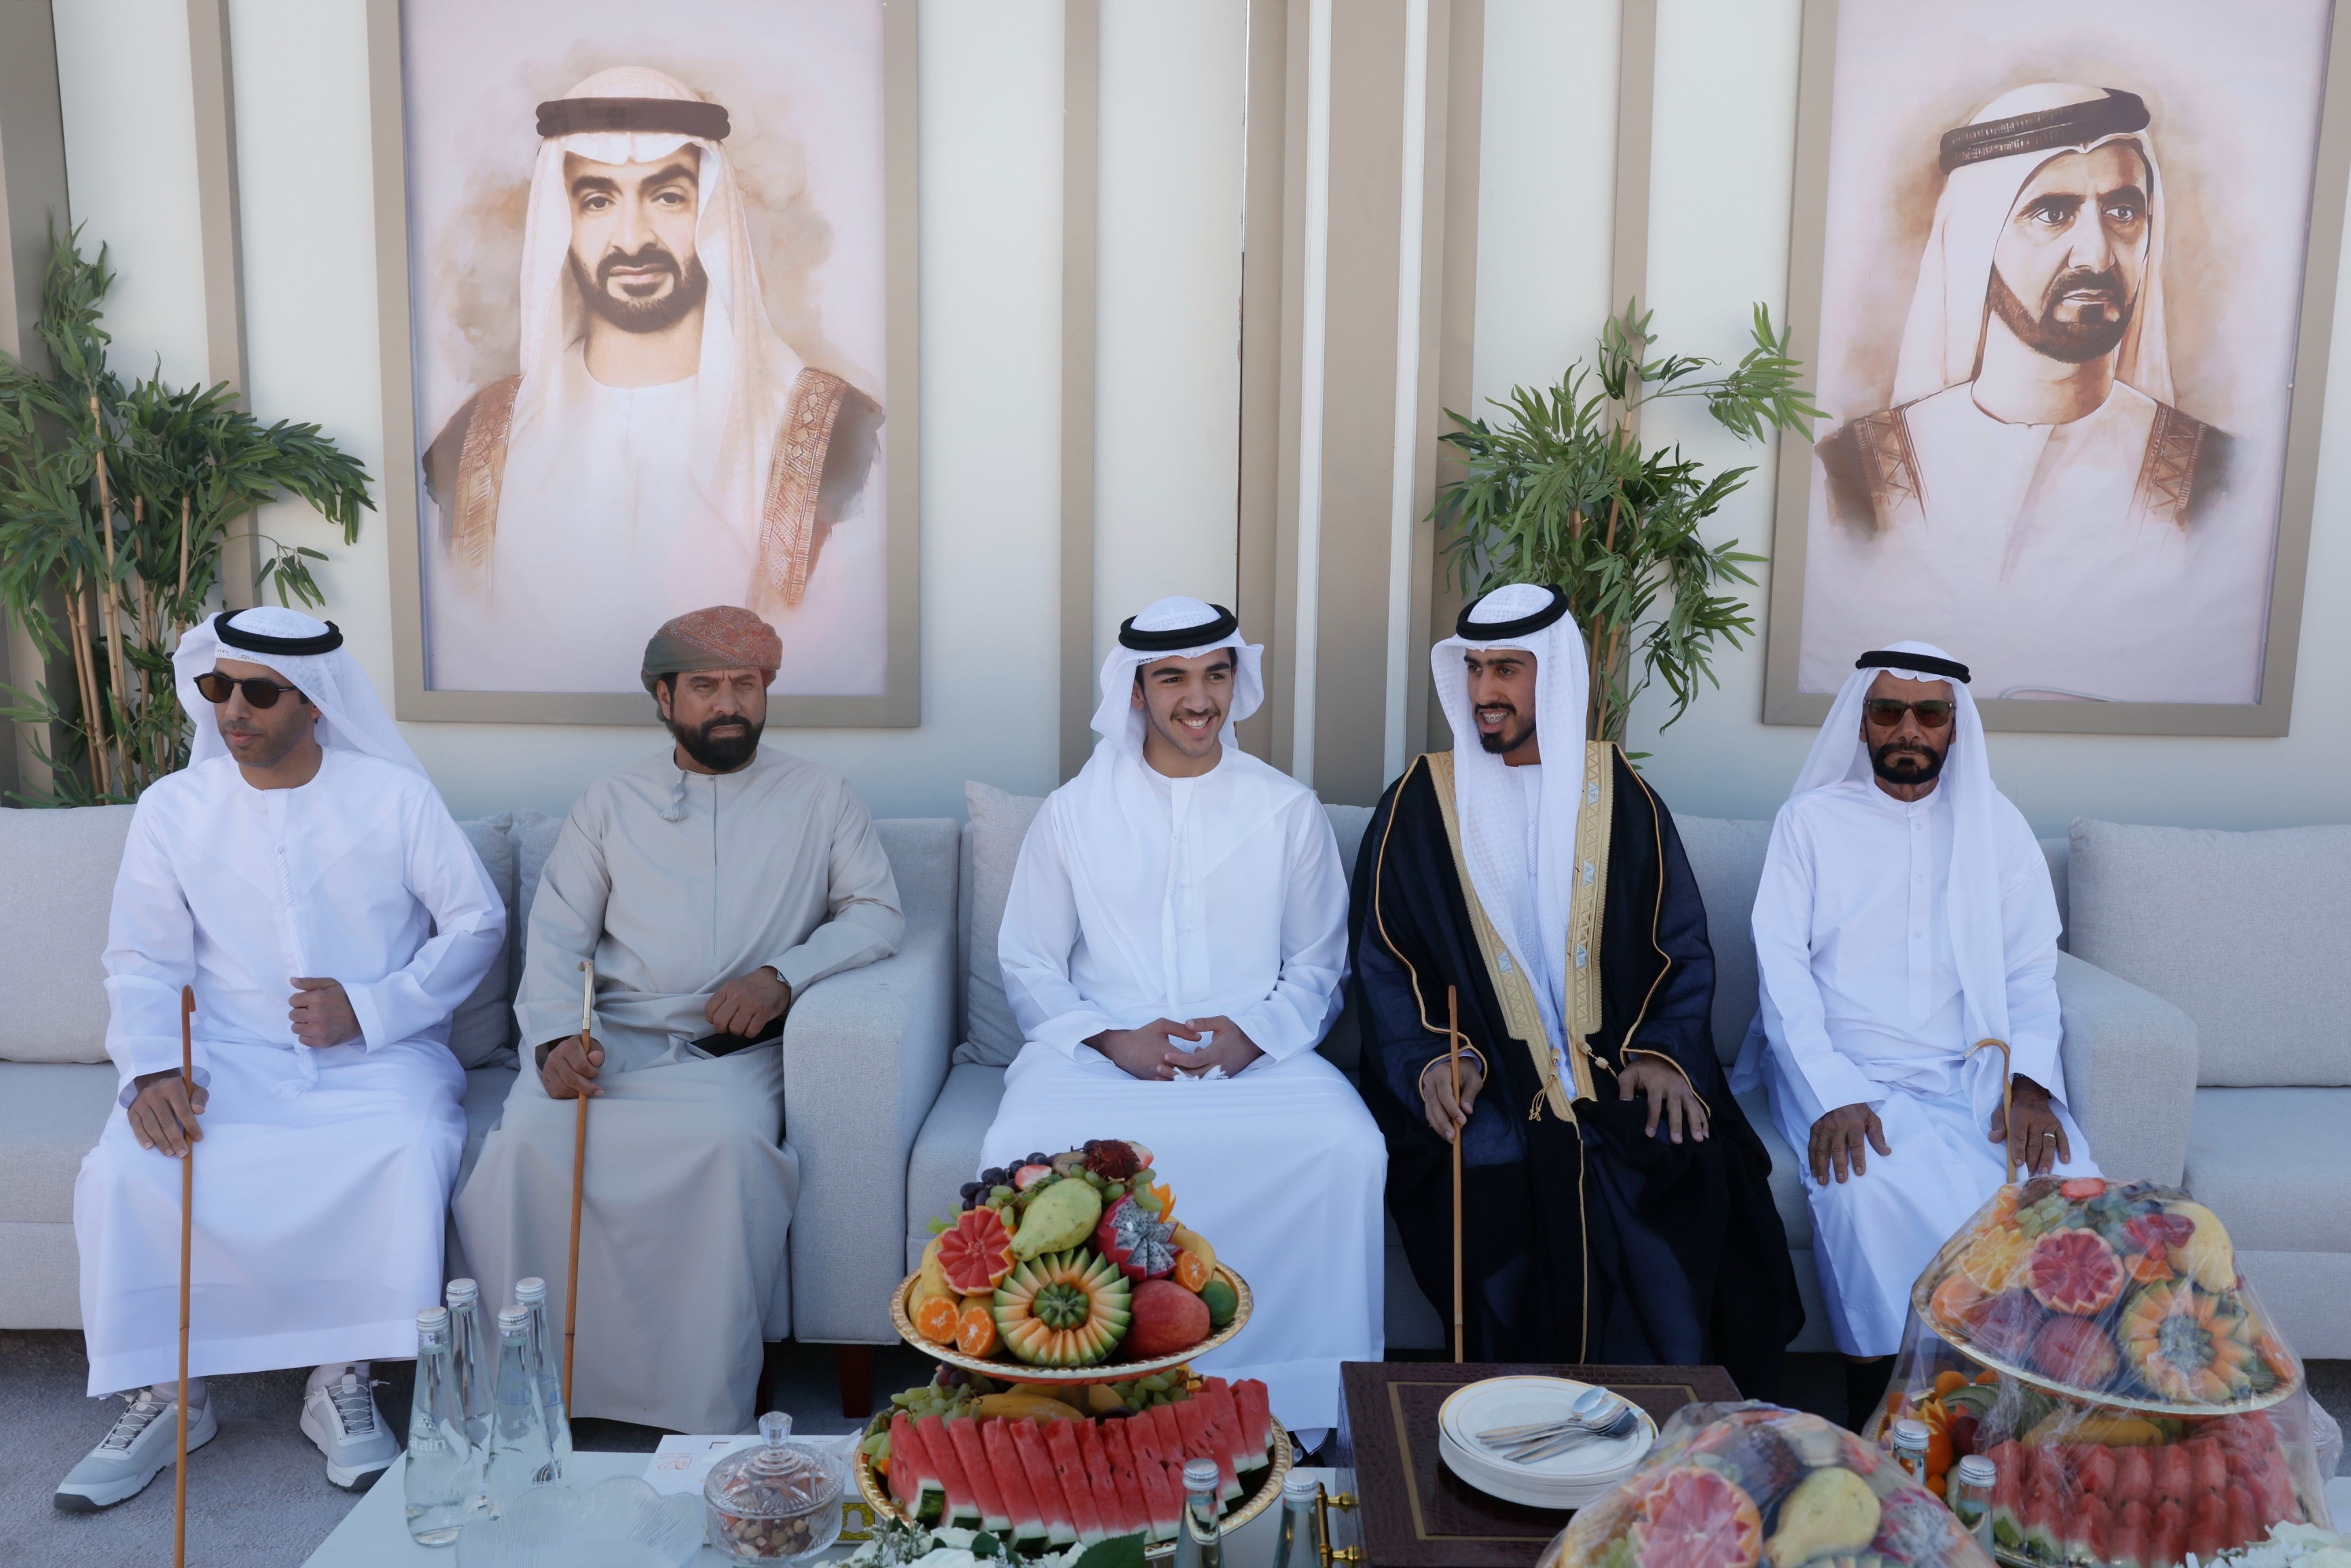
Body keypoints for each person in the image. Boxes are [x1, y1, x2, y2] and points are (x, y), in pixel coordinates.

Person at [62, 608, 505, 1508]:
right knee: (123, 1167)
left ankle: (340, 1380)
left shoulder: (393, 798)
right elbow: (141, 957)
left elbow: (476, 920)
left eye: (259, 692)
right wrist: (152, 1069)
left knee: (407, 1143)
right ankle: (169, 1396)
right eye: (218, 686)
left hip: (376, 1058)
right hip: (220, 1056)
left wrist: (371, 1006)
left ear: (315, 703)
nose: (232, 708)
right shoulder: (173, 808)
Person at [453, 605, 901, 1434]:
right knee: (524, 1144)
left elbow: (876, 912)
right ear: (663, 698)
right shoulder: (609, 802)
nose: (728, 702)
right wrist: (554, 1040)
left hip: (734, 1053)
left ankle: (699, 1416)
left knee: (725, 1145)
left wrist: (783, 976)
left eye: (746, 684)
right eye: (704, 685)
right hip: (611, 1041)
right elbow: (556, 935)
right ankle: (528, 1400)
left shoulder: (821, 795)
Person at [1349, 583, 1802, 1396]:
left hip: (1614, 1061)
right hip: (1483, 1069)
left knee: (1674, 1153)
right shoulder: (1419, 801)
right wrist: (1434, 1058)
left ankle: (1660, 1412)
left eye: (1508, 669)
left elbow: (1678, 941)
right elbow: (1386, 956)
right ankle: (1509, 1413)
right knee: (1492, 1159)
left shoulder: (1621, 795)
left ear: (1554, 675)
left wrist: (1663, 1052)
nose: (1485, 690)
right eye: (1475, 668)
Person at [980, 597, 1383, 1441]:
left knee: (1349, 1144)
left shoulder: (1286, 807)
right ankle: (1079, 1400)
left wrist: (1253, 1035)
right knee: (1013, 1146)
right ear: (1135, 690)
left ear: (1237, 680)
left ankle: (1300, 1406)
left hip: (1260, 1055)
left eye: (1215, 675)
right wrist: (1112, 1038)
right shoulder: (1074, 812)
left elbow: (1320, 965)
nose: (1199, 699)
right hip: (1096, 1053)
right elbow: (1029, 961)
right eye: (1173, 678)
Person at [421, 66, 883, 693]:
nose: (632, 238)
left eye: (668, 197)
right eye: (597, 201)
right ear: (563, 221)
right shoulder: (475, 439)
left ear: (710, 213)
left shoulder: (837, 431)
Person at [1733, 642, 2098, 1429]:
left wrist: (2032, 1086)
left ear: (1954, 727)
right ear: (1861, 721)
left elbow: (2031, 973)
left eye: (1929, 712)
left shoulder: (1998, 828)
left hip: (1972, 1071)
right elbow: (1782, 975)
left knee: (2061, 1179)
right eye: (1888, 710)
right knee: (1864, 1185)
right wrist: (1832, 1092)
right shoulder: (1810, 823)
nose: (1909, 728)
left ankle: (2033, 1413)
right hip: (1844, 1067)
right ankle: (1882, 1412)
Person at [1802, 83, 2255, 704]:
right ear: (1977, 240)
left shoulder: (2218, 480)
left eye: (2123, 212)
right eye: (2052, 213)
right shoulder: (1853, 477)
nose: (2095, 253)